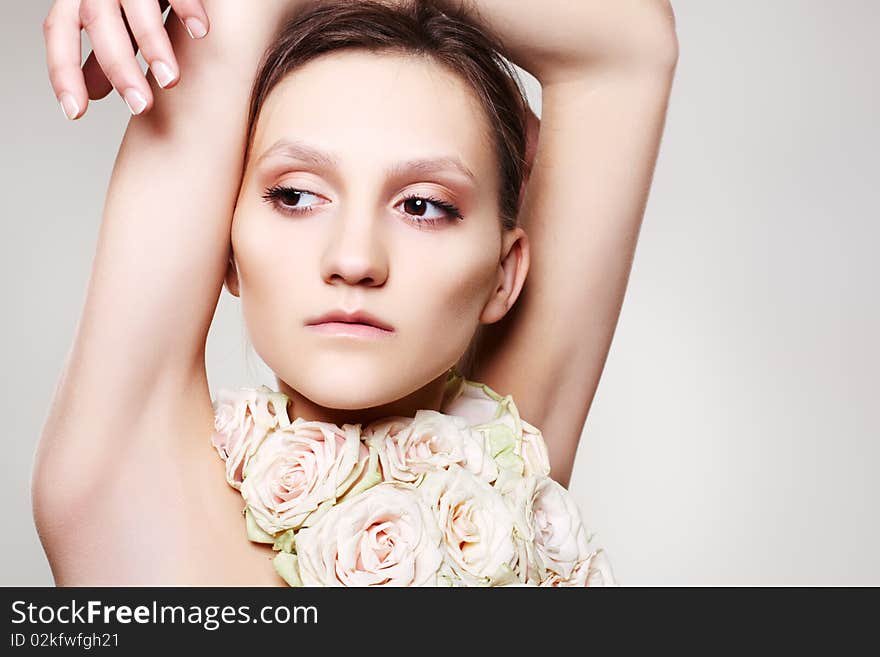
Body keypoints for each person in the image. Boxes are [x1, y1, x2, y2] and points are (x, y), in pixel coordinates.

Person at [33, 0, 678, 585]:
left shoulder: (498, 494)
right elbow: (232, 11)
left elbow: (628, 47)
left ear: (504, 274)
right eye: (296, 196)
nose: (354, 260)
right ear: (223, 246)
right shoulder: (124, 487)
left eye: (422, 206)